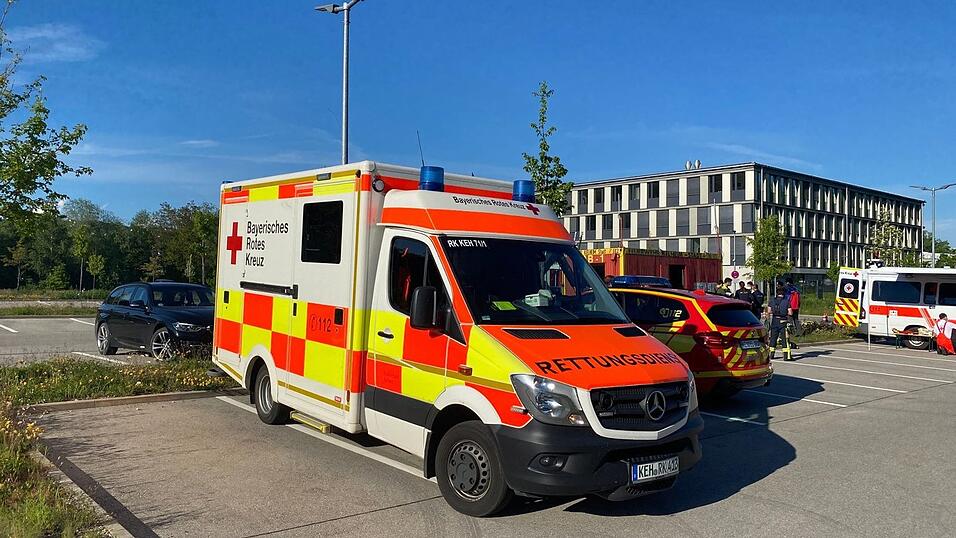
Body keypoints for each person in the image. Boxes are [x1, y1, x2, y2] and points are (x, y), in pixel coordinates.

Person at [766, 284, 795, 361]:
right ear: (784, 293)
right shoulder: (786, 301)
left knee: (773, 337)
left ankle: (771, 354)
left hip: (774, 320)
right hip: (783, 321)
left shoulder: (772, 300)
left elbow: (769, 311)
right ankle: (786, 356)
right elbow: (790, 313)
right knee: (784, 338)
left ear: (777, 293)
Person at [784, 277, 801, 348]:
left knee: (789, 319)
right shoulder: (796, 289)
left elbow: (786, 298)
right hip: (796, 306)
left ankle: (791, 332)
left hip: (790, 306)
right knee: (796, 319)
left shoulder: (787, 288)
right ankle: (799, 331)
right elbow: (799, 298)